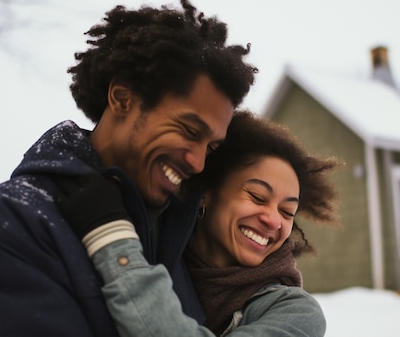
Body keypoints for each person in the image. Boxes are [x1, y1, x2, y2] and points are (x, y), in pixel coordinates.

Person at [0, 0, 256, 336]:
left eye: (210, 147)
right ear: (122, 99)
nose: (197, 162)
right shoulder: (2, 228)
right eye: (189, 131)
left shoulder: (185, 245)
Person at [54, 110, 342, 336]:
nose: (272, 220)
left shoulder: (296, 313)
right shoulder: (155, 246)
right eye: (257, 196)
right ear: (206, 194)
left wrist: (113, 244)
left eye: (287, 212)